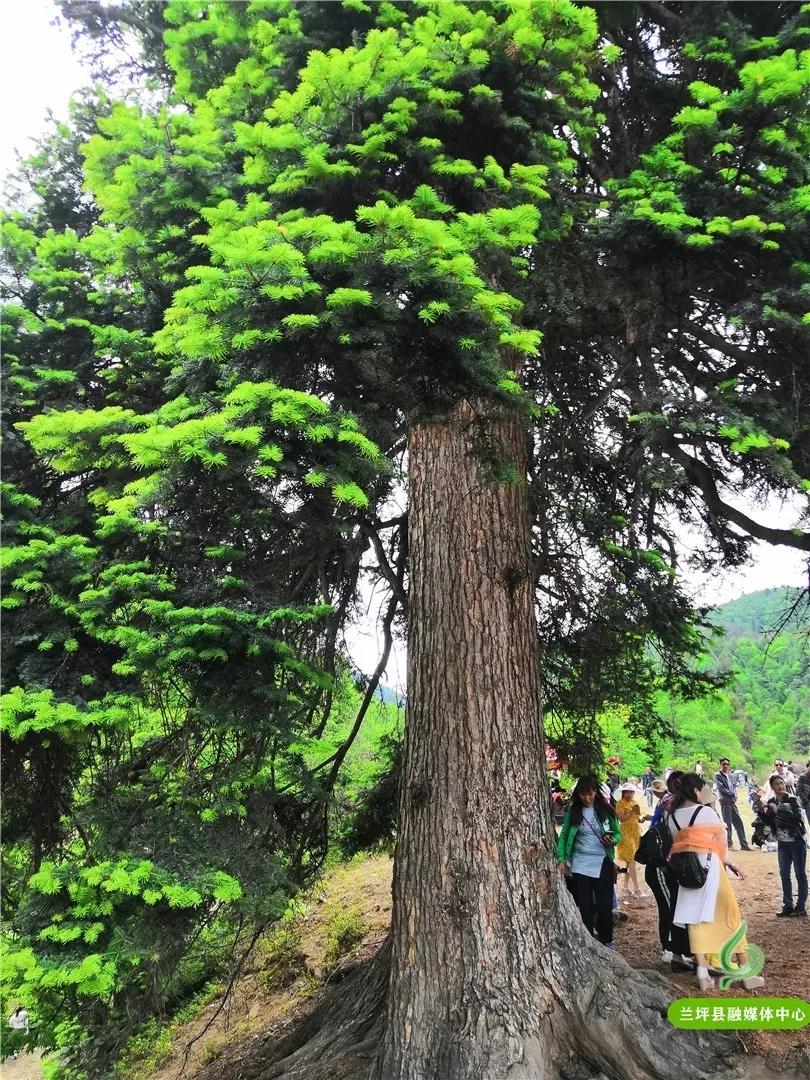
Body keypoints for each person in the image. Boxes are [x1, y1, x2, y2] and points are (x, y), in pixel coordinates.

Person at [667, 772, 763, 992]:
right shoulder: (706, 812)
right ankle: (745, 971)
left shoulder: (670, 816)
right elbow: (721, 849)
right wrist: (732, 864)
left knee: (695, 922)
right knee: (731, 917)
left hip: (686, 875)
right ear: (695, 790)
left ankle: (702, 973)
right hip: (710, 871)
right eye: (703, 788)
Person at [556, 775, 621, 947]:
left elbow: (617, 833)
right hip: (580, 863)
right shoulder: (574, 812)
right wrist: (561, 858)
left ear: (596, 793)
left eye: (590, 794)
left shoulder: (605, 810)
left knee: (604, 905)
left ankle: (607, 940)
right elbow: (564, 836)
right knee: (585, 905)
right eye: (583, 795)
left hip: (602, 861)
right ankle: (589, 940)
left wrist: (612, 840)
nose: (587, 798)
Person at [762, 774, 807, 917]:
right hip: (782, 843)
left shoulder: (792, 799)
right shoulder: (771, 801)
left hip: (796, 841)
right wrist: (760, 808)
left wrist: (778, 811)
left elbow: (797, 819)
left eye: (782, 783)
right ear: (772, 786)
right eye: (776, 784)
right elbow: (769, 822)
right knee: (784, 874)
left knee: (800, 874)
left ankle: (801, 907)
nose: (780, 786)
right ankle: (787, 905)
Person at [615, 782, 649, 901]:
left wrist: (642, 819)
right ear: (623, 793)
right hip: (625, 833)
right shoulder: (620, 803)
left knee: (630, 861)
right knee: (632, 860)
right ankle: (637, 888)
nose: (629, 794)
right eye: (627, 792)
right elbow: (621, 819)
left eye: (631, 792)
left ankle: (625, 886)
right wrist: (630, 812)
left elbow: (638, 818)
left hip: (635, 833)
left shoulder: (635, 803)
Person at [714, 757, 751, 850]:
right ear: (720, 765)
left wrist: (735, 795)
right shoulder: (718, 775)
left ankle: (744, 844)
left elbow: (733, 786)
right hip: (725, 801)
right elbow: (721, 789)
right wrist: (732, 794)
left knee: (739, 822)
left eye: (727, 764)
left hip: (732, 801)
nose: (726, 766)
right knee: (728, 823)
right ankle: (729, 844)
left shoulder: (730, 775)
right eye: (724, 764)